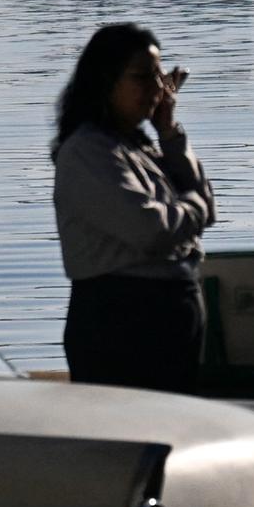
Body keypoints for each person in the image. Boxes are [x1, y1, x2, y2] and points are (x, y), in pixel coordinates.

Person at [52, 23, 215, 393]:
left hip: (166, 321)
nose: (158, 88)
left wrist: (168, 131)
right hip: (121, 326)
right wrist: (196, 206)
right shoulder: (88, 153)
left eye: (159, 76)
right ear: (105, 81)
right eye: (142, 77)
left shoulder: (137, 147)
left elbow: (201, 202)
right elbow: (151, 230)